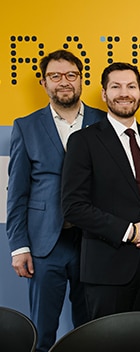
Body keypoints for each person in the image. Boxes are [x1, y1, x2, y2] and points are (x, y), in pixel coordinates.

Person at [6, 49, 105, 352]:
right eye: (55, 76)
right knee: (42, 332)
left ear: (81, 80)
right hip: (46, 244)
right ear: (44, 82)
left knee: (91, 329)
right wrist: (19, 246)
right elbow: (17, 191)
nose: (64, 82)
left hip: (94, 241)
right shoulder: (27, 126)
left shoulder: (104, 122)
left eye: (71, 75)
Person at [61, 62, 140, 320]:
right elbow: (73, 206)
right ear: (104, 94)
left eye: (131, 86)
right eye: (116, 86)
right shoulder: (83, 141)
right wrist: (129, 231)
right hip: (106, 270)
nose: (125, 93)